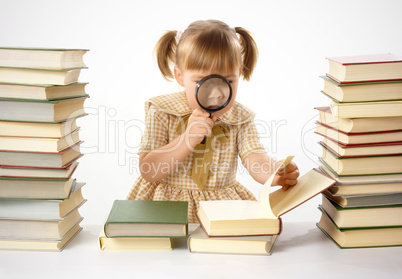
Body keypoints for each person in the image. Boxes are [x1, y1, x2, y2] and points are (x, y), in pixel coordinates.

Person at [127, 19, 299, 223]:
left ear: (239, 74)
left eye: (228, 81)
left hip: (221, 207)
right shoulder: (163, 112)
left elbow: (256, 160)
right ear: (180, 76)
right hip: (166, 206)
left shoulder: (240, 119)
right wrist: (187, 139)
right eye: (203, 82)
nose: (216, 93)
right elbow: (149, 170)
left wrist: (274, 173)